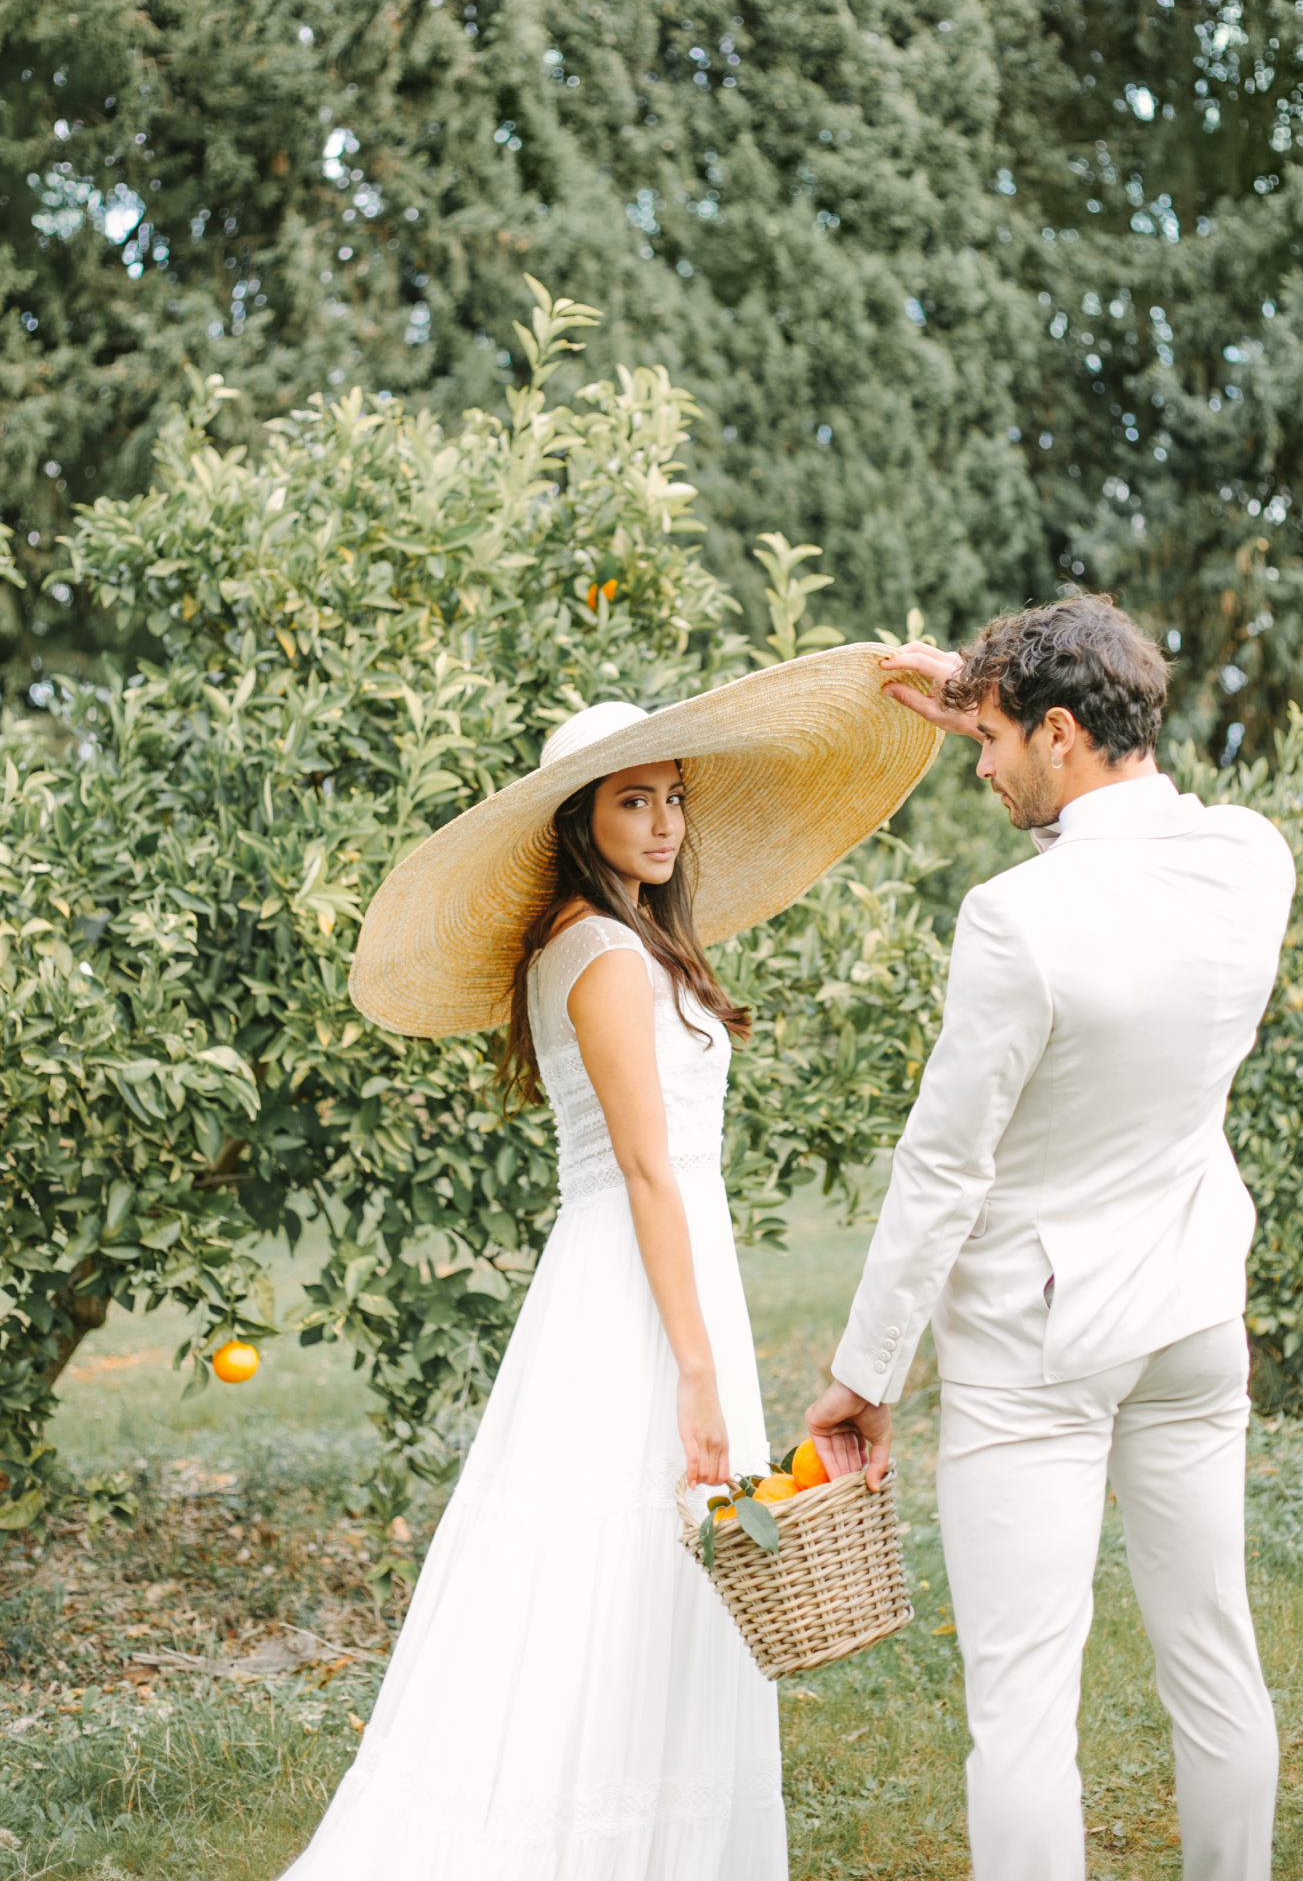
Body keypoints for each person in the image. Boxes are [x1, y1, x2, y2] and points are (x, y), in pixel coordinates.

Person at [281, 647, 941, 1881]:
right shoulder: (601, 954)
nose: (664, 821)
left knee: (659, 1575)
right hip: (635, 1287)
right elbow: (646, 1170)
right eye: (632, 800)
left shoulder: (605, 944)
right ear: (580, 821)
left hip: (669, 1267)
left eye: (673, 795)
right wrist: (695, 1369)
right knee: (604, 1565)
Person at [806, 595, 1296, 1881]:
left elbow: (943, 1168)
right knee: (1214, 1654)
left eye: (993, 740)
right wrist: (981, 687)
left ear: (1063, 733)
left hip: (1041, 1351)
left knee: (1021, 1705)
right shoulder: (1253, 857)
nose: (978, 762)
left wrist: (866, 1375)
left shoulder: (1018, 920)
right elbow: (1094, 795)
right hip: (1193, 1321)